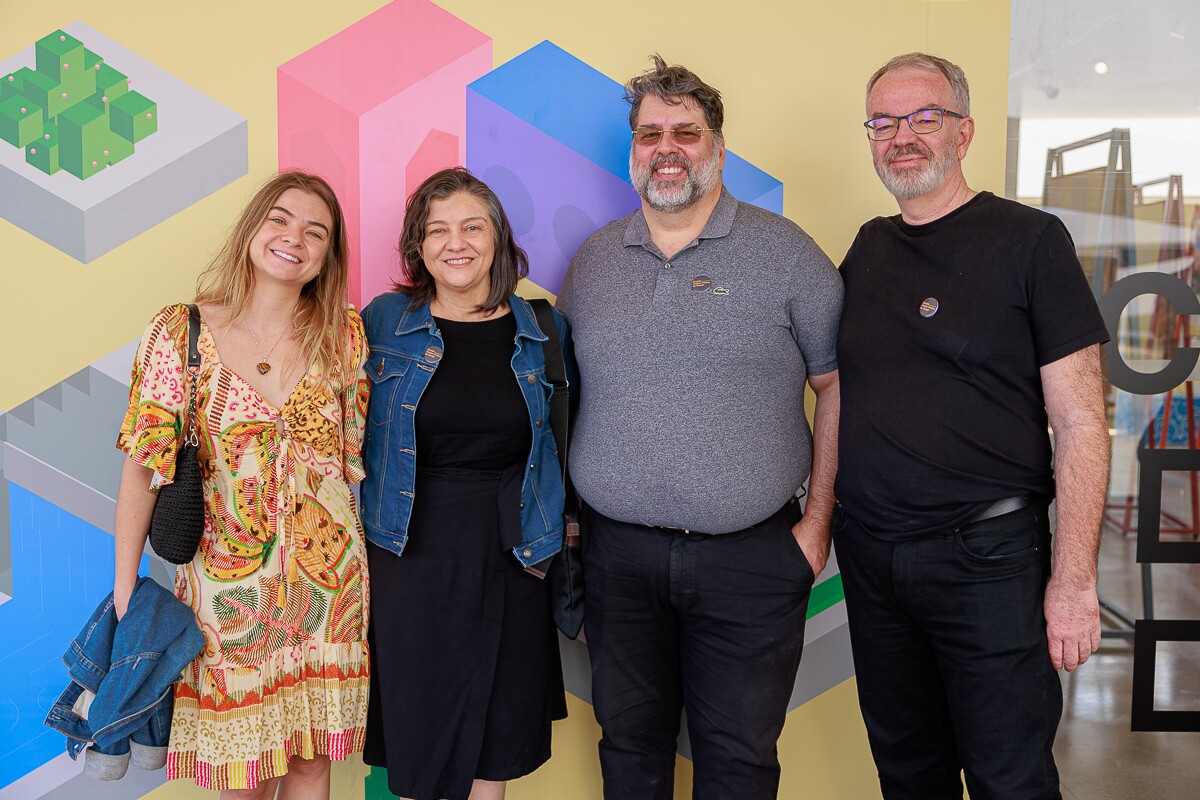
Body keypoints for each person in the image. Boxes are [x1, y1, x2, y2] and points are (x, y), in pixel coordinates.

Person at [556, 56, 843, 799]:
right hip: (618, 560)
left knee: (739, 760)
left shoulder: (787, 254)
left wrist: (817, 524)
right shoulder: (592, 262)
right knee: (629, 750)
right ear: (633, 152)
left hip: (752, 560)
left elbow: (837, 386)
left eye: (686, 131)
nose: (668, 147)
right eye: (651, 133)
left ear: (718, 147)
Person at [835, 52, 1111, 799]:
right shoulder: (867, 248)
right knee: (907, 775)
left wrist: (1075, 584)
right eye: (884, 122)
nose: (903, 136)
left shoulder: (1030, 241)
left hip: (988, 560)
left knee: (1009, 779)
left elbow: (1083, 422)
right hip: (872, 561)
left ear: (965, 132)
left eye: (926, 117)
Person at [113, 170, 371, 798]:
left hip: (329, 592)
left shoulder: (343, 335)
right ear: (253, 227)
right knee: (245, 776)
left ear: (327, 256)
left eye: (316, 231)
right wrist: (126, 592)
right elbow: (144, 467)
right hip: (224, 599)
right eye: (280, 218)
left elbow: (347, 464)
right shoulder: (181, 333)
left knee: (313, 763)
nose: (294, 238)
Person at [360, 167, 571, 800]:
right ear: (418, 247)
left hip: (516, 550)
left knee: (496, 731)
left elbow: (564, 437)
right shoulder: (384, 322)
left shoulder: (543, 328)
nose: (457, 243)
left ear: (499, 238)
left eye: (472, 226)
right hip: (408, 551)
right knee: (421, 726)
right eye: (438, 230)